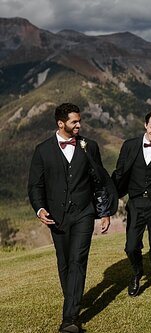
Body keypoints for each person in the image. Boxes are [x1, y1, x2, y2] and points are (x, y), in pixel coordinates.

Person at [28, 103, 116, 333]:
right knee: (64, 261)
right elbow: (35, 186)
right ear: (61, 123)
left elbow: (98, 181)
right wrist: (40, 209)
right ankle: (73, 298)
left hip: (84, 214)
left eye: (79, 121)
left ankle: (69, 319)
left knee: (78, 260)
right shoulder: (42, 150)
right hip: (56, 217)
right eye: (74, 122)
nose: (79, 125)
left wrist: (104, 211)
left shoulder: (90, 147)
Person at [111, 110, 151, 305]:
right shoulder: (129, 146)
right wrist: (108, 196)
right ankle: (137, 273)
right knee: (131, 246)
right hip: (136, 204)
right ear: (145, 125)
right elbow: (119, 173)